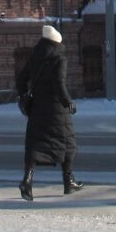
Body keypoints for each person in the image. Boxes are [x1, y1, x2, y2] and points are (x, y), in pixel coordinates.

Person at [15, 24, 82, 200]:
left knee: (35, 145)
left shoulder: (34, 57)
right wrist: (68, 102)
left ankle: (26, 182)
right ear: (57, 43)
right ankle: (68, 182)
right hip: (56, 109)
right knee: (69, 145)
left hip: (37, 108)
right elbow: (59, 83)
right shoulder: (60, 58)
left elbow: (21, 80)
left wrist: (24, 96)